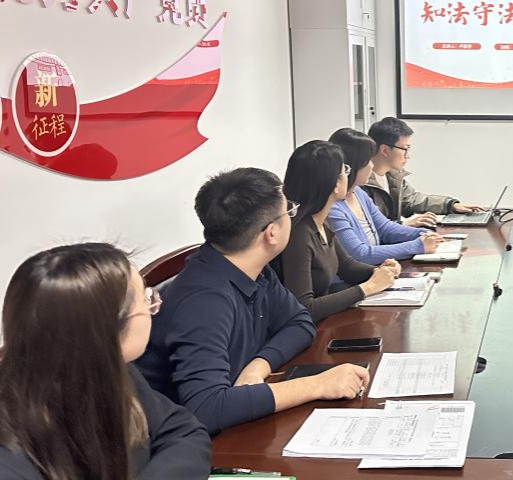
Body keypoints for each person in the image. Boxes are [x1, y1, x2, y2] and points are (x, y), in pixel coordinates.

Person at [0, 243, 286, 480]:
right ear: (108, 331)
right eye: (147, 300)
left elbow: (183, 429)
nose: (155, 306)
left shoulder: (106, 372)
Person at [136, 168, 369, 435]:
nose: (292, 216)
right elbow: (206, 407)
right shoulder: (203, 301)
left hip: (235, 419)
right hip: (186, 442)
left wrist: (258, 366)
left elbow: (299, 322)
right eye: (288, 211)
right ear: (272, 233)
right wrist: (318, 385)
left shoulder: (251, 267)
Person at [280, 140, 400, 322]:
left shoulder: (321, 220)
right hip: (309, 329)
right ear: (333, 184)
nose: (347, 175)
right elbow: (304, 308)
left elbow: (346, 267)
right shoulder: (298, 234)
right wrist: (368, 288)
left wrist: (381, 271)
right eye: (344, 170)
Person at [327, 128, 444, 264]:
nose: (371, 166)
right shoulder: (332, 207)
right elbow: (361, 254)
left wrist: (423, 234)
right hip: (364, 273)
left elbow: (385, 228)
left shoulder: (358, 193)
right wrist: (418, 246)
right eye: (368, 161)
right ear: (352, 165)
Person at [364, 117, 480, 229]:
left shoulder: (392, 176)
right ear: (384, 150)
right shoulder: (361, 182)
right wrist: (405, 224)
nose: (408, 156)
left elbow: (412, 200)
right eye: (405, 149)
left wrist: (451, 205)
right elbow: (368, 228)